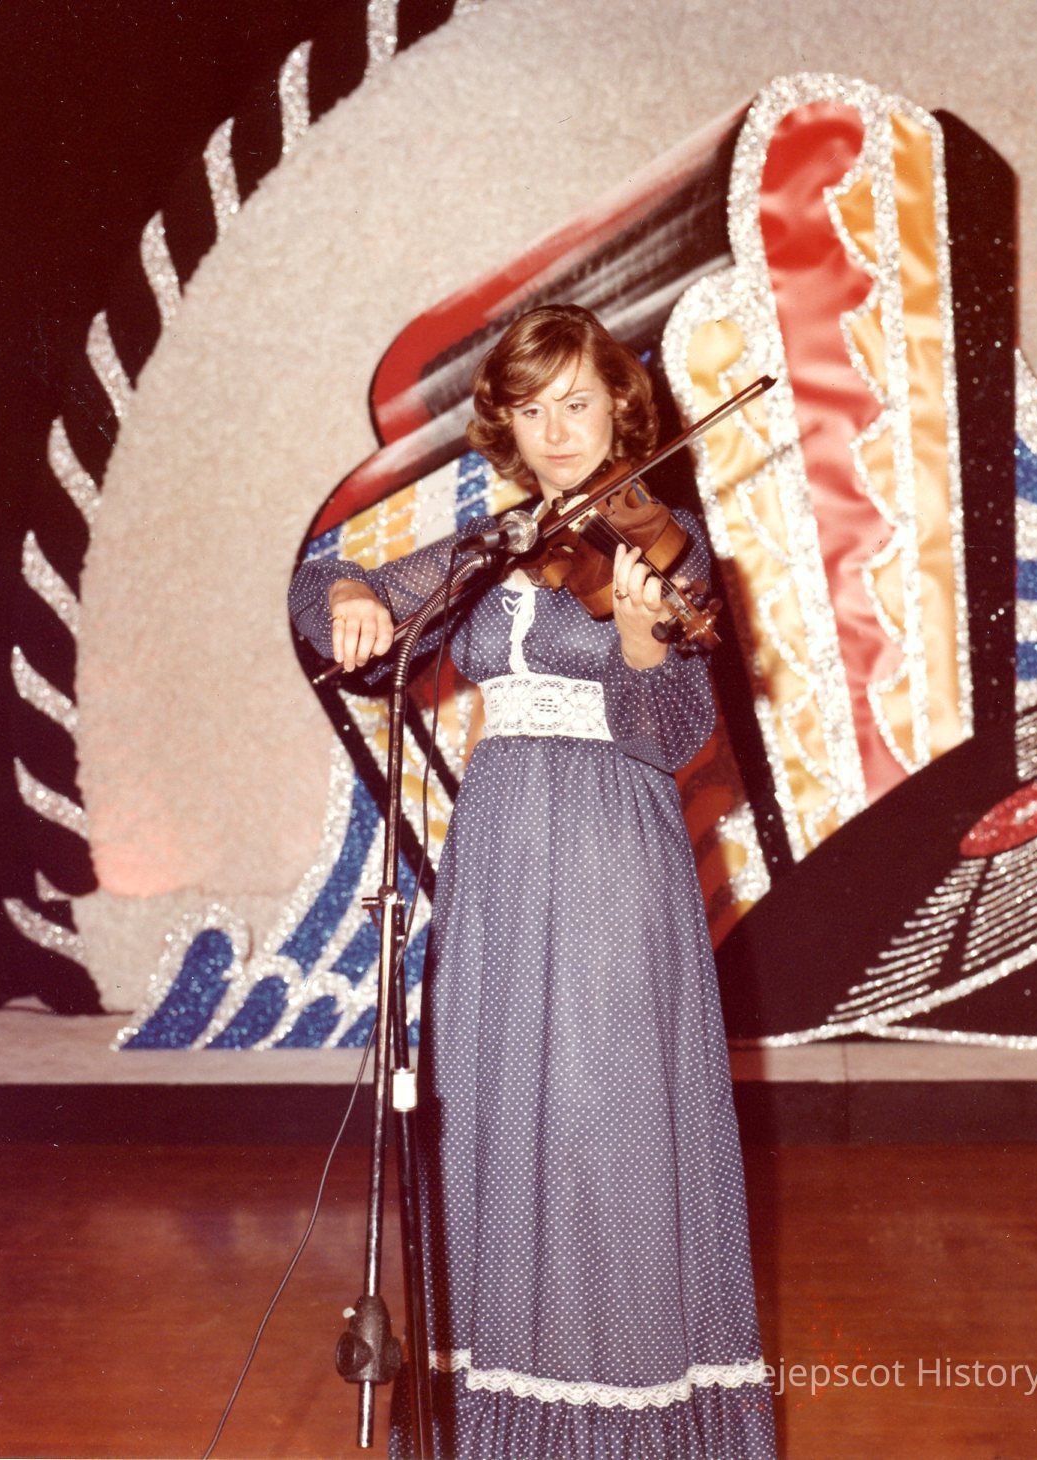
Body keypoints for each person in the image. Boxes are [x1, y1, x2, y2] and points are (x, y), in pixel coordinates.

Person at [289, 304, 777, 1458]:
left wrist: (646, 647)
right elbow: (323, 586)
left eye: (577, 402)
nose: (557, 431)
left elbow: (672, 734)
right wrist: (350, 596)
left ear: (619, 409)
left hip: (609, 854)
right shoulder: (494, 545)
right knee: (499, 1117)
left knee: (605, 1126)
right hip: (498, 859)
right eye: (530, 408)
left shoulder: (665, 545)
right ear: (503, 425)